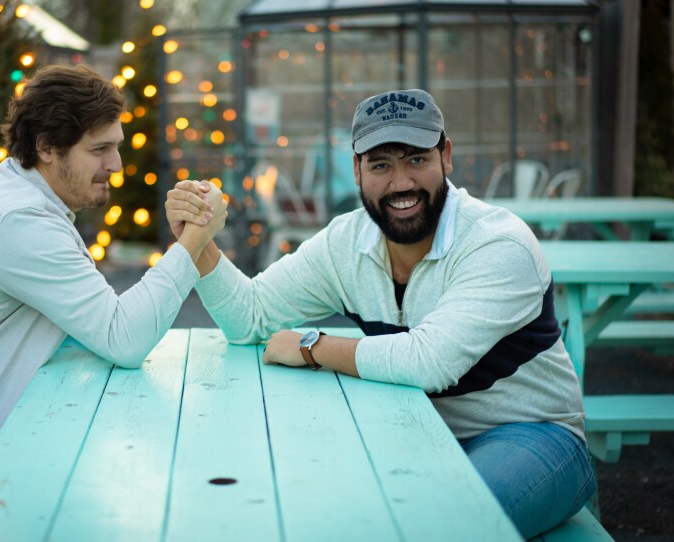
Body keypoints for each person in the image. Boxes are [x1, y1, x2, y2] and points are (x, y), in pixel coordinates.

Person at [166, 89, 594, 538]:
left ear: (445, 156)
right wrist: (198, 243)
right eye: (381, 164)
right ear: (357, 170)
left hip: (529, 435)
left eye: (416, 160)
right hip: (406, 430)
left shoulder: (497, 243)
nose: (401, 182)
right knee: (304, 505)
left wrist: (314, 347)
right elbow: (251, 316)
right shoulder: (346, 243)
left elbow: (430, 362)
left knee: (449, 524)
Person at [0, 64, 226, 532]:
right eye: (99, 149)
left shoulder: (23, 196)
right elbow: (123, 338)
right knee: (113, 513)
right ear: (45, 146)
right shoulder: (19, 219)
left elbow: (102, 325)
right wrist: (193, 243)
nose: (117, 166)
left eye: (116, 147)